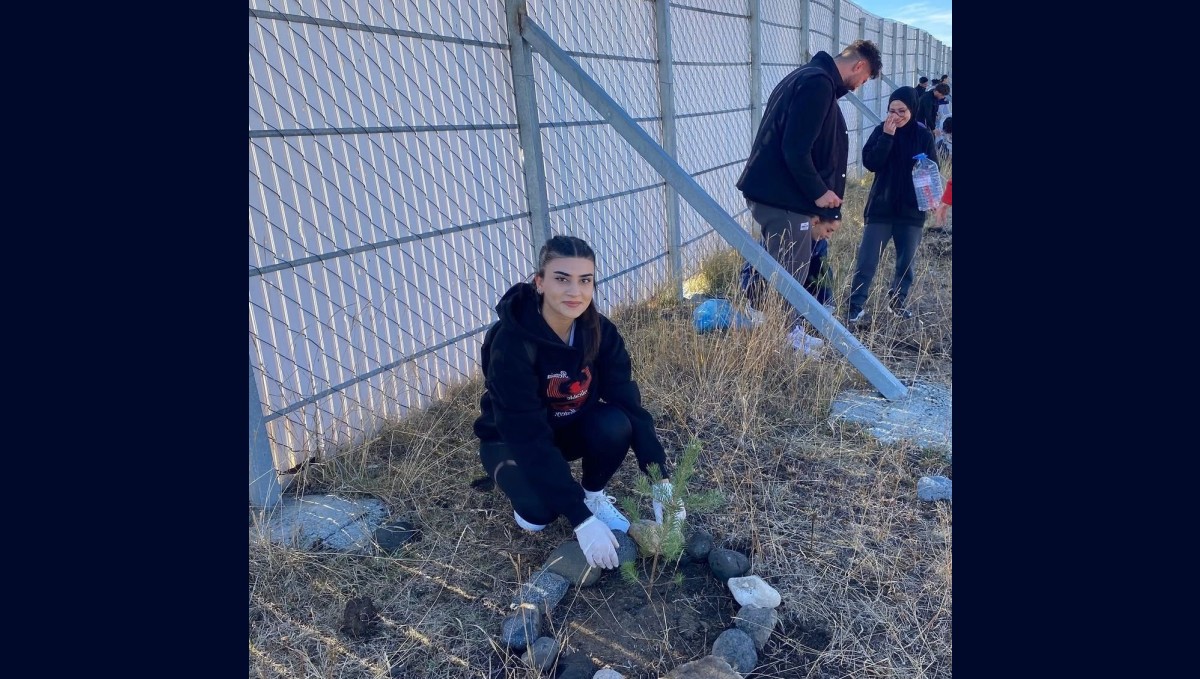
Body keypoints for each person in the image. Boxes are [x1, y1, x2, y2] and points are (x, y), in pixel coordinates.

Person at [473, 235, 685, 571]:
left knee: (616, 423)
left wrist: (660, 478)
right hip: (512, 440)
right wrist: (581, 522)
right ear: (539, 283)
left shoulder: (600, 332)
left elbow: (628, 402)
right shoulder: (511, 343)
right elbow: (526, 434)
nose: (575, 292)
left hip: (567, 429)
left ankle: (593, 496)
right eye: (562, 279)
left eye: (585, 280)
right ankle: (532, 494)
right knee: (539, 515)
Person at [735, 39, 881, 345]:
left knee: (788, 266)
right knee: (792, 270)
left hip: (779, 193)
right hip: (781, 196)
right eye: (863, 79)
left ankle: (783, 330)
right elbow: (795, 149)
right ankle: (784, 337)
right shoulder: (817, 84)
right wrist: (819, 194)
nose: (859, 86)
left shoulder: (809, 77)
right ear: (859, 66)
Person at [846, 86, 939, 325]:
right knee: (867, 259)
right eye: (892, 111)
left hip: (911, 211)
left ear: (912, 109)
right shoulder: (881, 131)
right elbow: (871, 163)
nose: (896, 116)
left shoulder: (923, 136)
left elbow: (931, 170)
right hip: (881, 208)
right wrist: (887, 137)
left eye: (902, 111)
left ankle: (897, 302)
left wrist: (931, 200)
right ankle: (855, 305)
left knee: (906, 261)